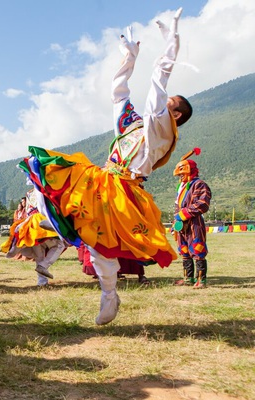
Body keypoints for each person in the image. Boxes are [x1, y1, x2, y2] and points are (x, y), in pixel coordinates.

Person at [20, 9, 192, 325]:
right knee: (45, 177)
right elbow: (118, 93)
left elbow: (159, 79)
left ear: (176, 115)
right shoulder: (133, 125)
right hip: (100, 181)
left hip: (126, 191)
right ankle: (99, 279)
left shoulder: (161, 130)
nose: (163, 102)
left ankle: (109, 294)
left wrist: (172, 42)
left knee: (102, 247)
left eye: (170, 103)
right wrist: (128, 57)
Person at [1, 196, 66, 287]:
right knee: (60, 244)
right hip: (42, 223)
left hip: (30, 226)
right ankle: (43, 268)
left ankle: (42, 281)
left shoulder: (30, 194)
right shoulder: (43, 189)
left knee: (39, 255)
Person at [172, 148, 212, 288]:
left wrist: (184, 214)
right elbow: (177, 206)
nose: (180, 177)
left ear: (189, 171)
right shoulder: (181, 187)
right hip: (181, 225)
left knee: (197, 248)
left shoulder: (199, 185)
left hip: (194, 222)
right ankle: (188, 278)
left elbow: (203, 204)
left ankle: (201, 280)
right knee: (184, 250)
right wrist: (175, 222)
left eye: (182, 174)